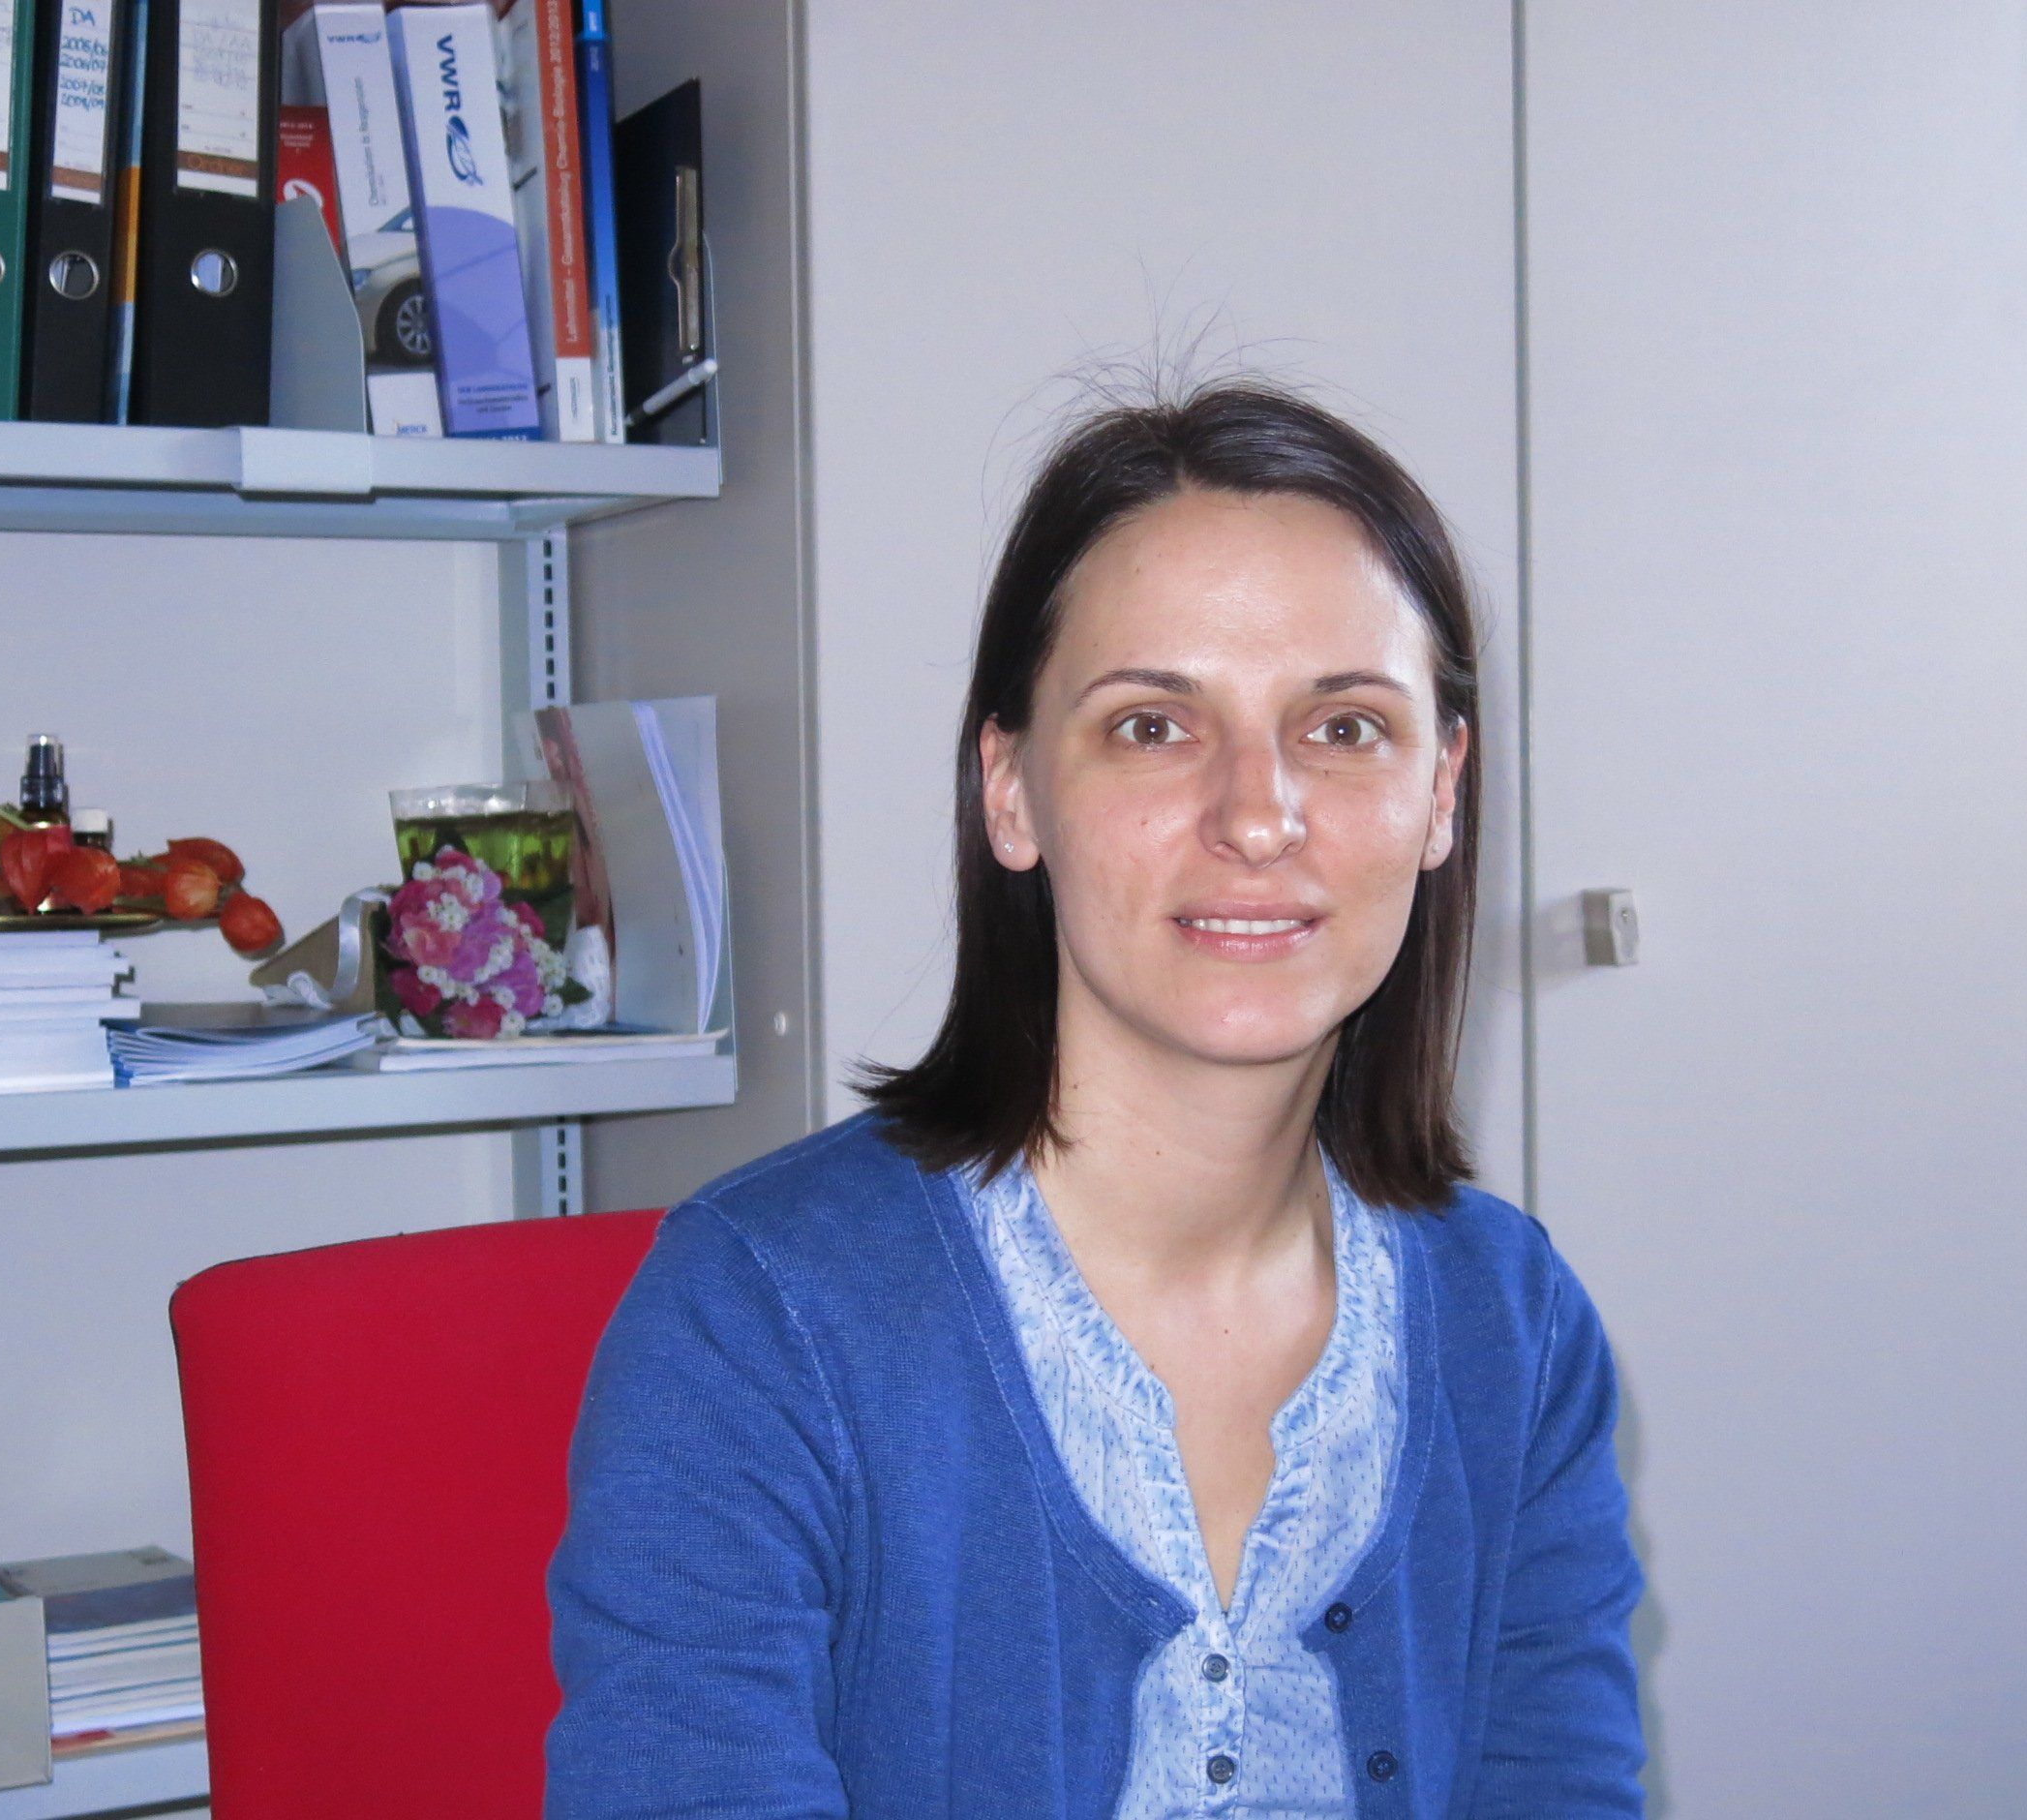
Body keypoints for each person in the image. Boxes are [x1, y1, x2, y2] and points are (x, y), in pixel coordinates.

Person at [545, 379, 1647, 1816]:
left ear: (1442, 789)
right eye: (1151, 727)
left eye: (1343, 728)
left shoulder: (1516, 1326)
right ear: (1010, 790)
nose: (1258, 815)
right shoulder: (762, 1318)